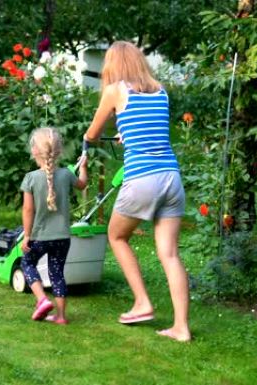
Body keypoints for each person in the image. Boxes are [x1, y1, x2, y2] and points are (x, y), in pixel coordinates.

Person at [84, 41, 191, 341]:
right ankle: (181, 328)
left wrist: (86, 138)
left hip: (143, 178)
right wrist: (125, 134)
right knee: (169, 254)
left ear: (113, 65)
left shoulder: (115, 90)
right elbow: (148, 129)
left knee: (116, 235)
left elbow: (93, 134)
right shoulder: (160, 91)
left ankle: (143, 302)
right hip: (171, 177)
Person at [20, 127, 88, 325]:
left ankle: (41, 299)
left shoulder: (31, 178)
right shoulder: (66, 174)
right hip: (62, 238)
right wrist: (83, 167)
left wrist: (26, 235)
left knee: (27, 263)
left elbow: (27, 210)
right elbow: (82, 184)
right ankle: (61, 316)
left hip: (40, 237)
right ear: (58, 151)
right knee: (56, 273)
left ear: (34, 151)